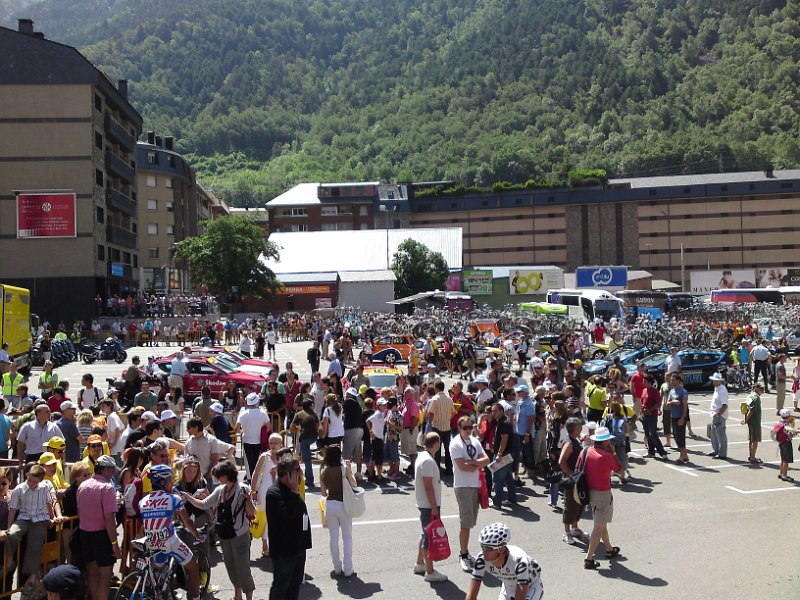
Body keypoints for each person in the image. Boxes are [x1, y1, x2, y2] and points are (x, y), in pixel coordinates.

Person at [183, 460, 256, 600]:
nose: (218, 479)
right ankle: (237, 595)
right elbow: (204, 504)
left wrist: (248, 501)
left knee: (243, 568)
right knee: (231, 566)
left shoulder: (243, 489)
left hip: (240, 535)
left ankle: (249, 598)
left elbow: (251, 512)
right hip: (224, 535)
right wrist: (188, 497)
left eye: (219, 476)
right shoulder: (220, 490)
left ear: (226, 475)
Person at [139, 464, 202, 600]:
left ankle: (165, 595)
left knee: (162, 572)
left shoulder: (142, 502)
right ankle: (196, 598)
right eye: (169, 480)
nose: (172, 483)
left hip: (151, 541)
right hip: (169, 541)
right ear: (162, 482)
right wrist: (197, 534)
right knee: (193, 567)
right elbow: (187, 522)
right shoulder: (174, 499)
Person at [1, 464, 60, 581]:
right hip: (3, 543)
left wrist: (52, 517)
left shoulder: (15, 493)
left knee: (10, 579)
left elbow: (46, 503)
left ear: (9, 482)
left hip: (19, 543)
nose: (1, 486)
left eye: (3, 483)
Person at [265, 453, 312, 600]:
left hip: (298, 548)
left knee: (294, 586)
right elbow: (289, 514)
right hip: (285, 551)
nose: (301, 473)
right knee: (281, 588)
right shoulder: (274, 493)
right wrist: (293, 492)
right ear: (287, 474)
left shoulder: (294, 490)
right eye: (297, 470)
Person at [75, 455, 118, 600]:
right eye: (111, 470)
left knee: (92, 571)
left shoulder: (82, 485)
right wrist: (114, 544)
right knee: (105, 574)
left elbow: (81, 512)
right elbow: (109, 520)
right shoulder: (107, 488)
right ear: (105, 470)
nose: (112, 473)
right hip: (101, 535)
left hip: (85, 533)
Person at [450, 415, 489, 572]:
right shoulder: (455, 444)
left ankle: (465, 552)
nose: (468, 430)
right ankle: (463, 555)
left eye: (470, 427)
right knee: (466, 522)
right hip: (463, 486)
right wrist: (476, 464)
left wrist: (473, 463)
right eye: (465, 427)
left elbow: (486, 459)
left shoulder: (475, 441)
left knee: (471, 521)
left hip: (475, 485)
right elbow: (462, 467)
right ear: (459, 428)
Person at [465, 522, 544, 600]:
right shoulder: (481, 559)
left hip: (530, 587)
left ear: (501, 550)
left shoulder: (519, 561)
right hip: (508, 587)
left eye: (487, 548)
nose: (483, 552)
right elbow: (471, 595)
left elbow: (520, 596)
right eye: (482, 547)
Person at [582, 426, 624, 570]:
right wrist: (613, 452)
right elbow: (621, 470)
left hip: (589, 493)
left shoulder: (586, 451)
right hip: (603, 494)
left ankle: (609, 549)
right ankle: (589, 559)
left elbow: (577, 468)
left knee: (601, 521)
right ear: (605, 441)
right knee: (599, 526)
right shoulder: (606, 456)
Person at [413, 432, 448, 583]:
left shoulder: (423, 457)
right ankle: (430, 571)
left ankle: (420, 564)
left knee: (425, 534)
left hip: (426, 504)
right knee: (429, 537)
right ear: (436, 444)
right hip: (428, 505)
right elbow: (428, 487)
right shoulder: (427, 461)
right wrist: (434, 507)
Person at [320, 445, 358, 577]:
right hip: (344, 504)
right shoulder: (343, 469)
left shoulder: (324, 471)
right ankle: (348, 569)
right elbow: (354, 484)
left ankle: (337, 567)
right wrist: (349, 470)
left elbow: (324, 493)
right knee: (347, 537)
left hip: (330, 505)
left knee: (333, 538)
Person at [251, 433, 283, 557]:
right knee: (265, 517)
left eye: (276, 443)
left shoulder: (284, 456)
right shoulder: (264, 456)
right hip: (265, 490)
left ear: (281, 444)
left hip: (280, 490)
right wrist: (253, 492)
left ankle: (277, 544)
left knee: (278, 517)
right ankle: (265, 545)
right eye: (271, 443)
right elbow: (256, 474)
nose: (273, 445)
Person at [490, 402, 517, 508]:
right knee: (508, 478)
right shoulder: (502, 421)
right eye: (492, 411)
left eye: (495, 411)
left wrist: (499, 454)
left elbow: (504, 439)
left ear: (502, 411)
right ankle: (512, 499)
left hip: (503, 455)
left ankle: (496, 502)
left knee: (497, 478)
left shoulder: (504, 423)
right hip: (507, 454)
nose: (493, 413)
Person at [236, 392, 268, 480]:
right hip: (258, 440)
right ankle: (256, 479)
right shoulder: (263, 413)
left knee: (249, 463)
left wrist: (243, 430)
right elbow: (269, 427)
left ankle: (251, 480)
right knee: (257, 462)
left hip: (246, 440)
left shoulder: (243, 413)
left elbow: (237, 429)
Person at [289, 399, 319, 488]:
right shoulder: (314, 414)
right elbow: (318, 426)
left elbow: (291, 427)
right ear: (310, 406)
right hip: (313, 437)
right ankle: (309, 478)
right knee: (307, 459)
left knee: (307, 460)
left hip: (304, 438)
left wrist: (298, 427)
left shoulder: (299, 414)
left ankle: (309, 479)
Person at [427, 381, 455, 474]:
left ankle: (437, 469)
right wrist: (448, 419)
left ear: (436, 388)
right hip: (447, 427)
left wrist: (430, 424)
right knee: (448, 449)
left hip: (437, 427)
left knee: (436, 449)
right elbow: (453, 412)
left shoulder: (435, 399)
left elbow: (431, 413)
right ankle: (449, 469)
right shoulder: (449, 399)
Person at [640, 375, 667, 459]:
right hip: (644, 415)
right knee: (648, 434)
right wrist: (642, 409)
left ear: (649, 382)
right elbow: (642, 401)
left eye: (645, 381)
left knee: (653, 434)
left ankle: (662, 452)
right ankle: (651, 452)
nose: (643, 383)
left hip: (652, 415)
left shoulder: (654, 391)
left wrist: (650, 410)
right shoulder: (644, 390)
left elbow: (658, 403)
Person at [185, 417, 220, 482]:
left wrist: (209, 474)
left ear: (196, 428)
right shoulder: (188, 441)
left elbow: (215, 460)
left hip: (208, 478)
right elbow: (186, 459)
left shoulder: (212, 440)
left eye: (188, 428)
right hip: (193, 479)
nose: (187, 430)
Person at [667, 374, 689, 464]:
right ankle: (685, 454)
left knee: (680, 436)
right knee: (675, 436)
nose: (671, 382)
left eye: (673, 380)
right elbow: (667, 403)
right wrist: (673, 402)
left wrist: (682, 418)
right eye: (671, 380)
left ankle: (681, 456)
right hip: (673, 416)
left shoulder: (683, 391)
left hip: (680, 417)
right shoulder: (671, 391)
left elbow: (685, 406)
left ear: (678, 381)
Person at [708, 372, 729, 459]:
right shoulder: (717, 388)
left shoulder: (722, 390)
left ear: (720, 381)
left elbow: (725, 405)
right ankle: (716, 450)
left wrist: (719, 414)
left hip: (719, 416)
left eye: (716, 381)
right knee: (714, 434)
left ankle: (722, 453)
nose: (714, 382)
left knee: (721, 435)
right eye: (713, 380)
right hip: (715, 414)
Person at [742, 383, 763, 464]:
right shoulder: (756, 399)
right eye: (761, 389)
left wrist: (746, 419)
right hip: (755, 422)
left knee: (751, 439)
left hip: (751, 422)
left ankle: (751, 455)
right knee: (755, 440)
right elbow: (751, 411)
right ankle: (753, 458)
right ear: (757, 389)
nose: (763, 391)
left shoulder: (750, 396)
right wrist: (746, 420)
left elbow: (744, 407)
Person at [775, 408, 797, 482]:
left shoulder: (780, 422)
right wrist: (796, 432)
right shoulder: (788, 424)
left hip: (781, 442)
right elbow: (790, 435)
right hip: (786, 443)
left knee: (783, 458)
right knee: (786, 460)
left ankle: (781, 473)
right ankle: (784, 475)